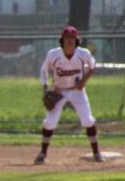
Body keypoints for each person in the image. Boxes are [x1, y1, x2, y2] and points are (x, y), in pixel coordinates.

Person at [35, 26, 102, 164]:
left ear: (76, 40)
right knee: (49, 122)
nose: (69, 41)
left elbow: (93, 65)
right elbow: (43, 70)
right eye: (66, 38)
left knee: (87, 120)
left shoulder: (83, 53)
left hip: (77, 92)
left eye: (72, 38)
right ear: (62, 40)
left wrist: (83, 81)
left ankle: (96, 153)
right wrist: (45, 88)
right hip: (59, 91)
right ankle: (43, 153)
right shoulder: (53, 54)